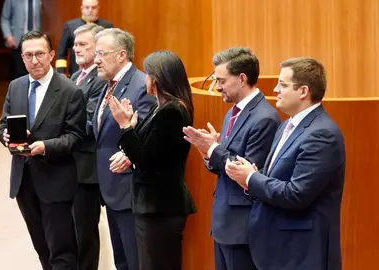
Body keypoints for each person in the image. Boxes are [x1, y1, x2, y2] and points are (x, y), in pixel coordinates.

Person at [225, 57, 345, 270]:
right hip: (276, 248)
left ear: (303, 91)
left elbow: (297, 194)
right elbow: (274, 177)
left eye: (282, 84)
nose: (275, 89)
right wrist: (251, 177)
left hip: (301, 253)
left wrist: (252, 178)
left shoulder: (322, 134)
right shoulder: (286, 126)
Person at [183, 47, 280, 270]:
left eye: (222, 81)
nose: (217, 87)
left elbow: (245, 172)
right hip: (224, 223)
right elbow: (222, 164)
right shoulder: (233, 111)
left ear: (242, 79)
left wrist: (214, 148)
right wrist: (207, 153)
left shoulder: (264, 118)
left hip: (242, 228)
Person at [0, 31, 86, 270]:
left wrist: (45, 147)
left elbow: (76, 137)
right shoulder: (16, 86)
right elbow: (4, 124)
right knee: (42, 248)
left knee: (61, 250)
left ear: (51, 55)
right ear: (22, 57)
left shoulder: (69, 91)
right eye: (28, 55)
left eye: (39, 54)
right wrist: (5, 135)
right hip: (23, 180)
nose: (34, 60)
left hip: (55, 180)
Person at [108, 51, 197, 270]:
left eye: (148, 74)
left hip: (160, 208)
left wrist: (124, 126)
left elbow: (146, 160)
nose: (145, 79)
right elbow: (147, 149)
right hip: (153, 206)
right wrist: (131, 125)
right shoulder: (162, 108)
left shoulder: (172, 112)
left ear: (156, 79)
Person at [92, 28, 156, 270]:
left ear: (121, 55)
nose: (95, 59)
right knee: (121, 260)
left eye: (101, 53)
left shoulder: (141, 85)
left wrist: (129, 154)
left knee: (135, 259)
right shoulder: (108, 84)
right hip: (110, 186)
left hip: (130, 189)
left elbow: (147, 134)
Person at [70, 23, 107, 270]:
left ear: (98, 49)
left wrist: (56, 126)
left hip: (87, 171)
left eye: (83, 44)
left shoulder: (101, 79)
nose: (76, 49)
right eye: (75, 44)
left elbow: (89, 122)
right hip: (69, 167)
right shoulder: (75, 76)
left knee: (85, 236)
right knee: (70, 233)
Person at [56, 0, 113, 76]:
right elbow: (61, 54)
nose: (90, 10)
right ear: (82, 8)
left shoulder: (107, 26)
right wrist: (61, 73)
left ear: (98, 9)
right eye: (87, 7)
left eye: (93, 7)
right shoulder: (70, 26)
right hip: (76, 72)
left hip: (100, 73)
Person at [0, 0, 42, 79]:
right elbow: (5, 19)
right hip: (19, 41)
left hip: (38, 41)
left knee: (37, 74)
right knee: (19, 74)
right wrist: (8, 36)